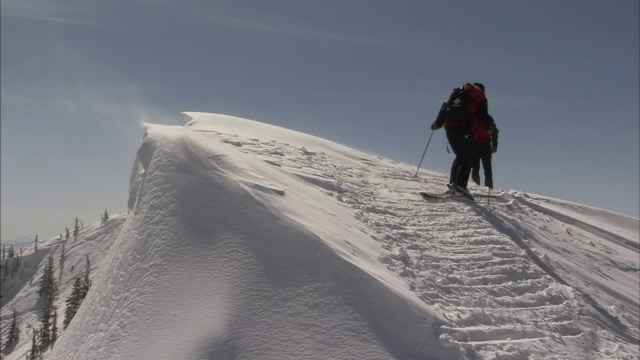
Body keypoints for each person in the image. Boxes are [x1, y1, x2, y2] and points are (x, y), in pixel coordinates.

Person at [430, 82, 491, 199]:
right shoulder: (480, 97)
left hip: (449, 128)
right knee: (467, 159)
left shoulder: (458, 93)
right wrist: (488, 129)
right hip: (465, 129)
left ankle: (454, 184)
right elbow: (483, 116)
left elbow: (445, 109)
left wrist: (437, 123)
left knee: (459, 157)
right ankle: (461, 188)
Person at [471, 115, 499, 189]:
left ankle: (487, 187)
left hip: (483, 144)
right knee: (477, 167)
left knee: (485, 168)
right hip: (477, 144)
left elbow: (494, 131)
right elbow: (494, 131)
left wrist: (494, 145)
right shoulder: (486, 117)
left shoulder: (486, 117)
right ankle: (477, 186)